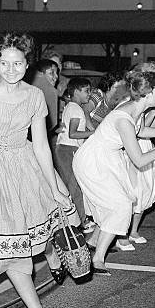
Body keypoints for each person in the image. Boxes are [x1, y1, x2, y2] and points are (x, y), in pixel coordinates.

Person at [0, 32, 71, 308]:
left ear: (27, 64)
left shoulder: (34, 97)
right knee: (6, 251)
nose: (10, 69)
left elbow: (42, 147)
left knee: (17, 251)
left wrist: (55, 186)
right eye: (4, 62)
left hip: (22, 175)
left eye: (17, 63)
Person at [73, 70, 155, 274]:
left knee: (118, 203)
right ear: (147, 94)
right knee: (120, 205)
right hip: (94, 161)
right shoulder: (124, 117)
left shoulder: (133, 108)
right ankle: (97, 259)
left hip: (107, 158)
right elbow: (139, 160)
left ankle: (93, 244)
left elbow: (139, 131)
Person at [115, 62, 155, 251]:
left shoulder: (149, 101)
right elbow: (136, 131)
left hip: (144, 142)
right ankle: (121, 234)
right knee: (131, 191)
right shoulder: (131, 101)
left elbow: (146, 126)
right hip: (132, 146)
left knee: (144, 190)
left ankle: (133, 230)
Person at [55, 77, 95, 226]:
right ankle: (80, 221)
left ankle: (75, 220)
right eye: (86, 91)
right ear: (76, 91)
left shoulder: (70, 106)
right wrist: (95, 133)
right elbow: (73, 133)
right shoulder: (76, 109)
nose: (89, 94)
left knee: (71, 185)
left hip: (64, 148)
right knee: (74, 186)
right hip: (68, 149)